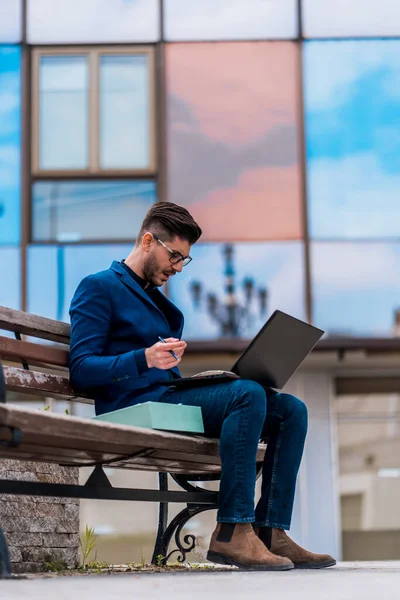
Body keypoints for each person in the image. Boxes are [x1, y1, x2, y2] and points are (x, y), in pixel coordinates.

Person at [69, 202, 336, 571]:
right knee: (247, 394)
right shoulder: (98, 287)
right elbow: (81, 369)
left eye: (184, 260)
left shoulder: (156, 300)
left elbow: (162, 374)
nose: (178, 267)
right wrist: (144, 358)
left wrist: (204, 381)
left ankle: (271, 530)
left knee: (291, 410)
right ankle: (232, 532)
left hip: (168, 397)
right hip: (134, 407)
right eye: (175, 256)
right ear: (148, 240)